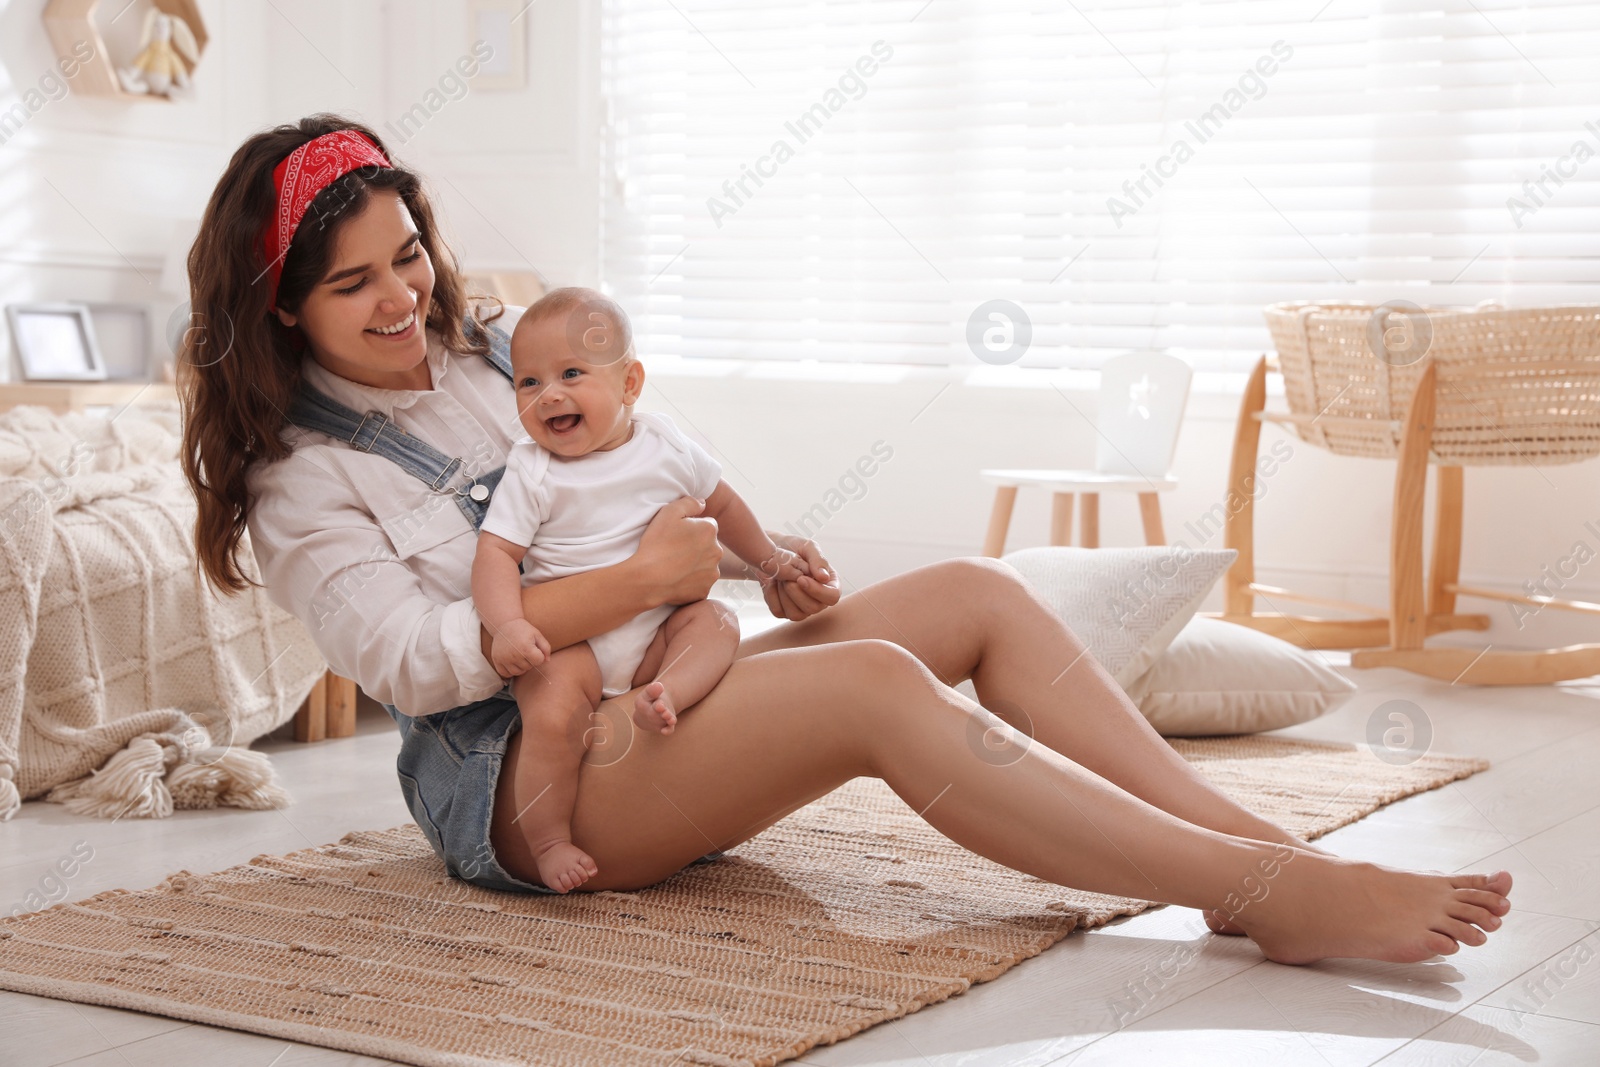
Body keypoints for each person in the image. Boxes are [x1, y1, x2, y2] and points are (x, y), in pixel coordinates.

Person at [179, 114, 1512, 966]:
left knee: (975, 594)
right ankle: (1271, 888)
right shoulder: (302, 474)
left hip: (663, 682)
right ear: (282, 310)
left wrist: (764, 561)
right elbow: (414, 662)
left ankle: (1238, 854)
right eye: (353, 283)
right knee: (879, 686)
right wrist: (639, 580)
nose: (402, 295)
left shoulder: (496, 355)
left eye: (407, 255)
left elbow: (660, 462)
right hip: (535, 777)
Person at [470, 286, 810, 893]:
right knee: (552, 718)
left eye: (572, 373)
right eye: (528, 382)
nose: (550, 394)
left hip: (656, 628)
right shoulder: (533, 469)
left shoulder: (666, 446)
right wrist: (509, 625)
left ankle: (667, 693)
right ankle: (548, 839)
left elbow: (722, 506)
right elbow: (496, 553)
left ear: (630, 383)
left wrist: (769, 561)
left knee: (717, 624)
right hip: (572, 645)